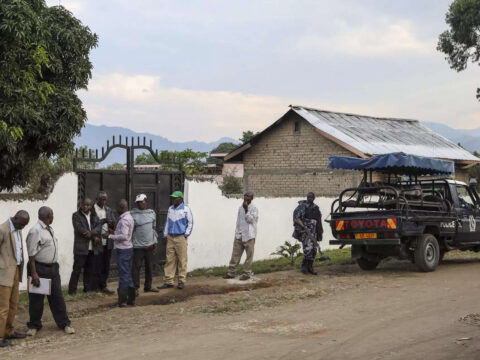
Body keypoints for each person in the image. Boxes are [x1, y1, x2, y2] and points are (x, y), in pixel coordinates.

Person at [26, 207, 75, 336]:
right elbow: (31, 254)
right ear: (48, 216)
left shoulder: (49, 229)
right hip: (39, 268)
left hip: (53, 268)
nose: (53, 217)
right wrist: (34, 273)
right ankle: (34, 325)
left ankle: (64, 323)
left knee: (57, 297)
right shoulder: (35, 231)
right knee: (36, 299)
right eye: (52, 215)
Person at [0, 210, 29, 347]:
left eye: (24, 225)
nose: (23, 227)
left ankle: (9, 332)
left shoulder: (18, 228)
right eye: (22, 224)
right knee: (3, 307)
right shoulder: (3, 229)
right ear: (15, 218)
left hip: (16, 270)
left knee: (13, 304)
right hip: (4, 273)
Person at [158, 191, 193, 290]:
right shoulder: (170, 209)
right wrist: (165, 235)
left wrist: (186, 234)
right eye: (172, 198)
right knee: (169, 259)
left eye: (175, 198)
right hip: (170, 237)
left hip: (181, 237)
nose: (173, 199)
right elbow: (167, 223)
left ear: (180, 199)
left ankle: (181, 280)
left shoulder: (186, 209)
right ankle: (169, 281)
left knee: (182, 260)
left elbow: (190, 223)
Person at [68, 198, 102, 295]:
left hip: (92, 248)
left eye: (88, 205)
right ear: (81, 205)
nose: (86, 206)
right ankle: (72, 291)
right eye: (84, 205)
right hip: (81, 248)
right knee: (77, 270)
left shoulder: (94, 216)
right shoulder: (76, 215)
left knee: (89, 270)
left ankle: (87, 289)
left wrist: (91, 234)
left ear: (91, 206)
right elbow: (79, 229)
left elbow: (99, 227)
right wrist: (93, 236)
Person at [223, 192, 258, 281]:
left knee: (249, 256)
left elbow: (251, 220)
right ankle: (231, 272)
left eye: (248, 197)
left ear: (252, 198)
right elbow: (238, 221)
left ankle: (246, 273)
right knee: (235, 255)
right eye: (245, 196)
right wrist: (237, 232)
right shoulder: (240, 208)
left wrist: (246, 210)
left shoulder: (254, 209)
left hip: (249, 235)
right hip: (239, 234)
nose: (246, 198)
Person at [108, 199, 135, 307]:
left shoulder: (124, 220)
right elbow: (125, 233)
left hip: (123, 250)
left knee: (124, 275)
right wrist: (114, 232)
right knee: (127, 274)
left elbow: (124, 236)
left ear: (122, 207)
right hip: (128, 249)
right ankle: (131, 299)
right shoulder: (129, 218)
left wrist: (110, 236)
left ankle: (122, 301)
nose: (116, 210)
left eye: (117, 207)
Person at [131, 194, 159, 295]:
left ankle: (148, 286)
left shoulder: (152, 213)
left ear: (145, 201)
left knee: (149, 267)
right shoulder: (132, 214)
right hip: (138, 246)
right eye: (138, 202)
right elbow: (130, 230)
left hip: (150, 246)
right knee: (136, 268)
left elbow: (153, 229)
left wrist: (155, 244)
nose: (140, 204)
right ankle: (135, 288)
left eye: (141, 201)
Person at [91, 191, 116, 295]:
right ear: (97, 199)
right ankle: (95, 287)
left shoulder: (108, 210)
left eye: (105, 199)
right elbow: (90, 225)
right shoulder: (92, 210)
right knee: (96, 265)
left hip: (107, 241)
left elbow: (114, 223)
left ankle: (104, 286)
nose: (104, 201)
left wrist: (111, 226)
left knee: (106, 265)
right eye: (102, 199)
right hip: (97, 241)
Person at [292, 192, 323, 275]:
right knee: (307, 249)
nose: (310, 198)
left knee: (314, 250)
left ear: (314, 198)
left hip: (314, 232)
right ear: (306, 197)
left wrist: (319, 233)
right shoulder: (302, 206)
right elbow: (296, 218)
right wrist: (302, 228)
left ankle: (310, 267)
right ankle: (304, 266)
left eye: (311, 197)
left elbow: (319, 221)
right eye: (308, 197)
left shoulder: (316, 208)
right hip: (306, 232)